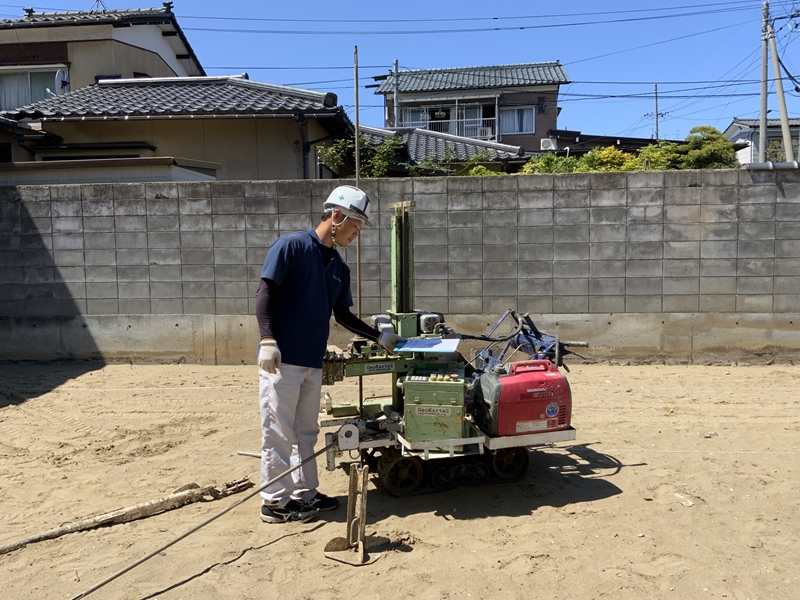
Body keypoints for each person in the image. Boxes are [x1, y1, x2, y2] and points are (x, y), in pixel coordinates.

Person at [255, 185, 404, 524]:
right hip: (282, 360)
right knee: (278, 432)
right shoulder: (292, 246)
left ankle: (305, 494)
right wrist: (267, 339)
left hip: (312, 360)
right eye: (354, 226)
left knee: (305, 431)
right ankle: (275, 502)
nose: (356, 234)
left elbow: (343, 316)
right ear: (336, 216)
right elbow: (266, 292)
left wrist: (379, 336)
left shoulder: (338, 266)